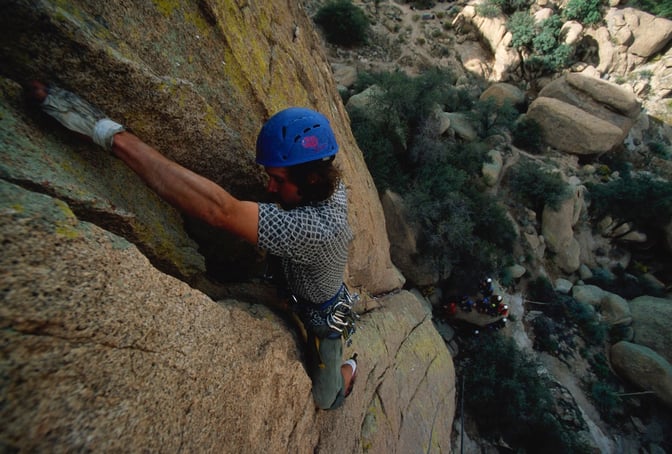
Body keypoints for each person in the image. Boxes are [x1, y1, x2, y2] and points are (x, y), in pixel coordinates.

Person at [28, 81, 358, 411]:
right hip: (295, 283)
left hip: (321, 317)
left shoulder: (318, 231)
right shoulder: (327, 180)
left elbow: (219, 210)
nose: (269, 187)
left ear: (312, 179)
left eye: (279, 180)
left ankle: (349, 369)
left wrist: (99, 128)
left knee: (326, 400)